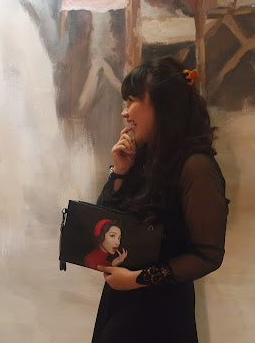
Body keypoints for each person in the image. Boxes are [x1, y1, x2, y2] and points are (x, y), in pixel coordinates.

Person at [91, 57, 229, 343]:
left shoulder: (196, 167)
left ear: (162, 105)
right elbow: (103, 223)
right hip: (120, 306)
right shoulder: (141, 155)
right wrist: (120, 171)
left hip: (162, 314)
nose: (124, 112)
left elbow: (208, 255)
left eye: (131, 101)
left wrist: (137, 279)